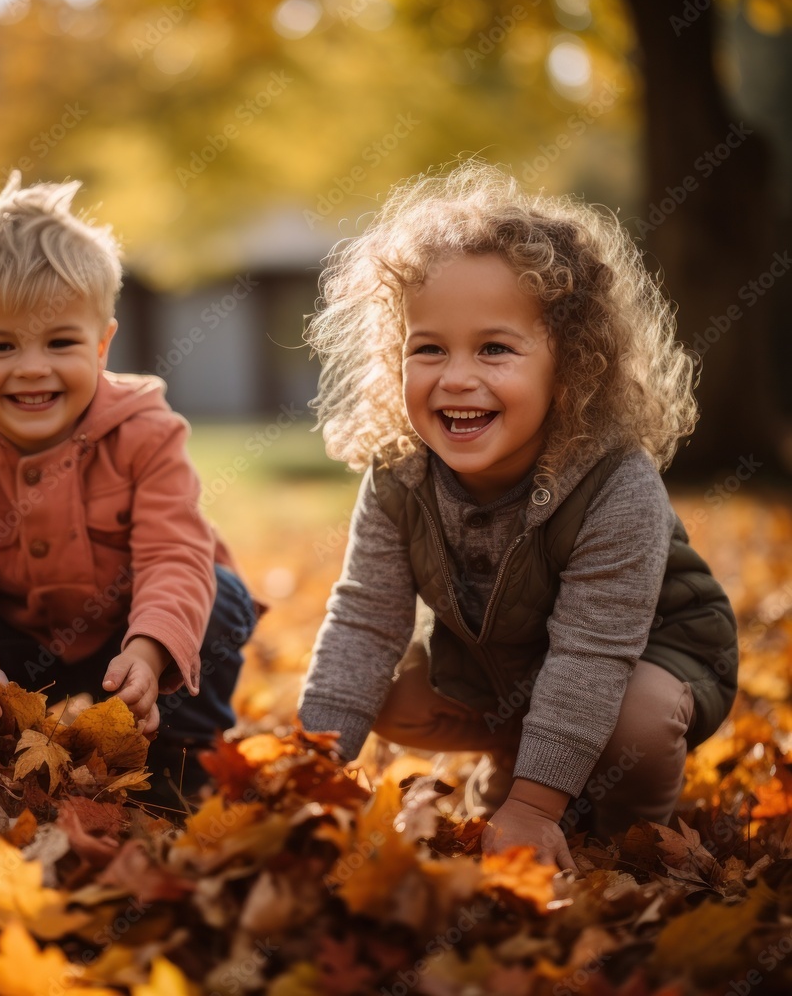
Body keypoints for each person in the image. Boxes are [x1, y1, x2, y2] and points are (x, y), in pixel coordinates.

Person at [297, 161, 738, 870]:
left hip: (647, 663)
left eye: (495, 348)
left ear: (571, 366)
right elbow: (363, 619)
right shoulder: (400, 472)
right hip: (507, 671)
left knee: (636, 720)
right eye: (429, 348)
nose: (457, 377)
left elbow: (591, 655)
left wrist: (534, 810)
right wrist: (306, 776)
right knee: (382, 690)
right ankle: (525, 766)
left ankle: (627, 831)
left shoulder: (615, 482)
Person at [0, 172, 258, 811]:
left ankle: (184, 751)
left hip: (128, 641)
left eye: (60, 342)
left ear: (102, 345)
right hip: (18, 655)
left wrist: (150, 649)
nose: (31, 367)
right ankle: (8, 745)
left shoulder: (148, 435)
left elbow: (173, 555)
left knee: (219, 594)